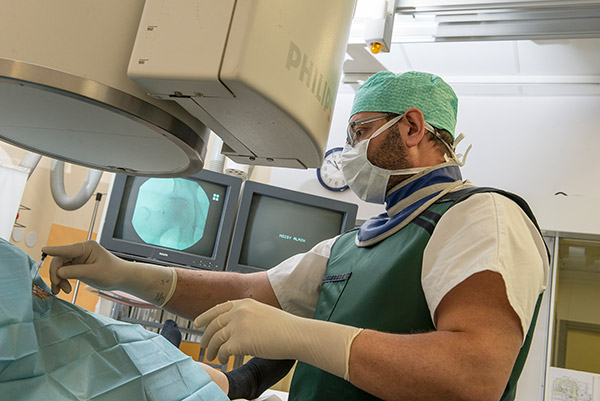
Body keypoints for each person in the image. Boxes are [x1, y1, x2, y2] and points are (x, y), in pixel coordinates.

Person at [45, 71, 549, 401]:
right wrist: (125, 273)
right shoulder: (355, 243)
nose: (350, 150)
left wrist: (301, 335)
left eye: (359, 132)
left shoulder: (480, 217)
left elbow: (475, 374)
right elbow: (249, 293)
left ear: (412, 127)